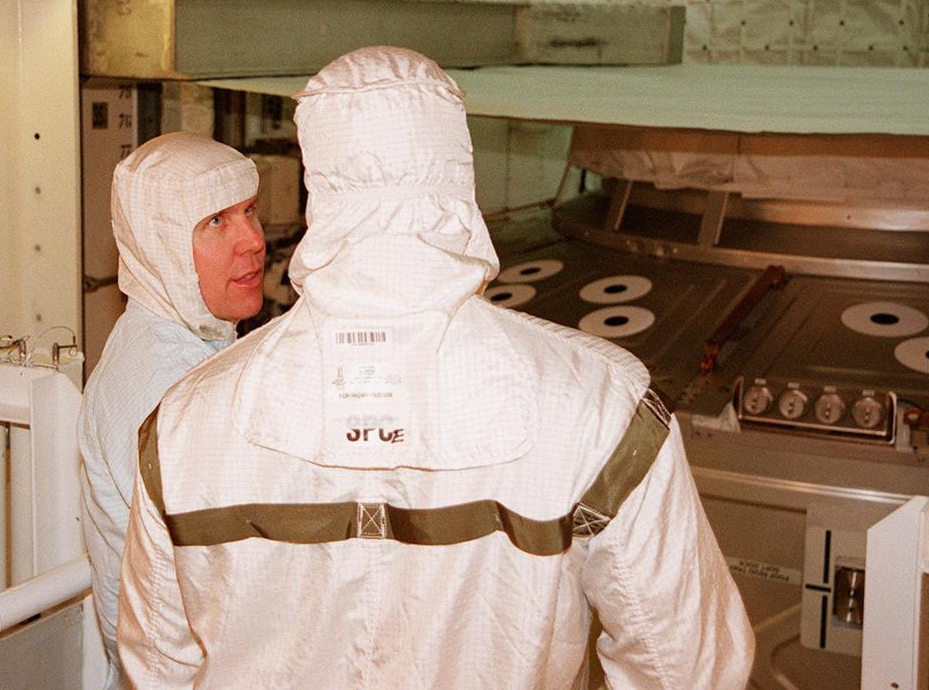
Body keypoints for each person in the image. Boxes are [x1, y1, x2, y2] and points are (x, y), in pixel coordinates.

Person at [117, 47, 754, 688]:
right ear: (457, 166)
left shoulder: (183, 422)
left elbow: (157, 668)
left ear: (319, 179)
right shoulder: (600, 404)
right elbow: (686, 669)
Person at [77, 131, 264, 689]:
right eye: (216, 222)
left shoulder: (191, 342)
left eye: (250, 211)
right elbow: (229, 576)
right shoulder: (164, 385)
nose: (253, 241)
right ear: (162, 247)